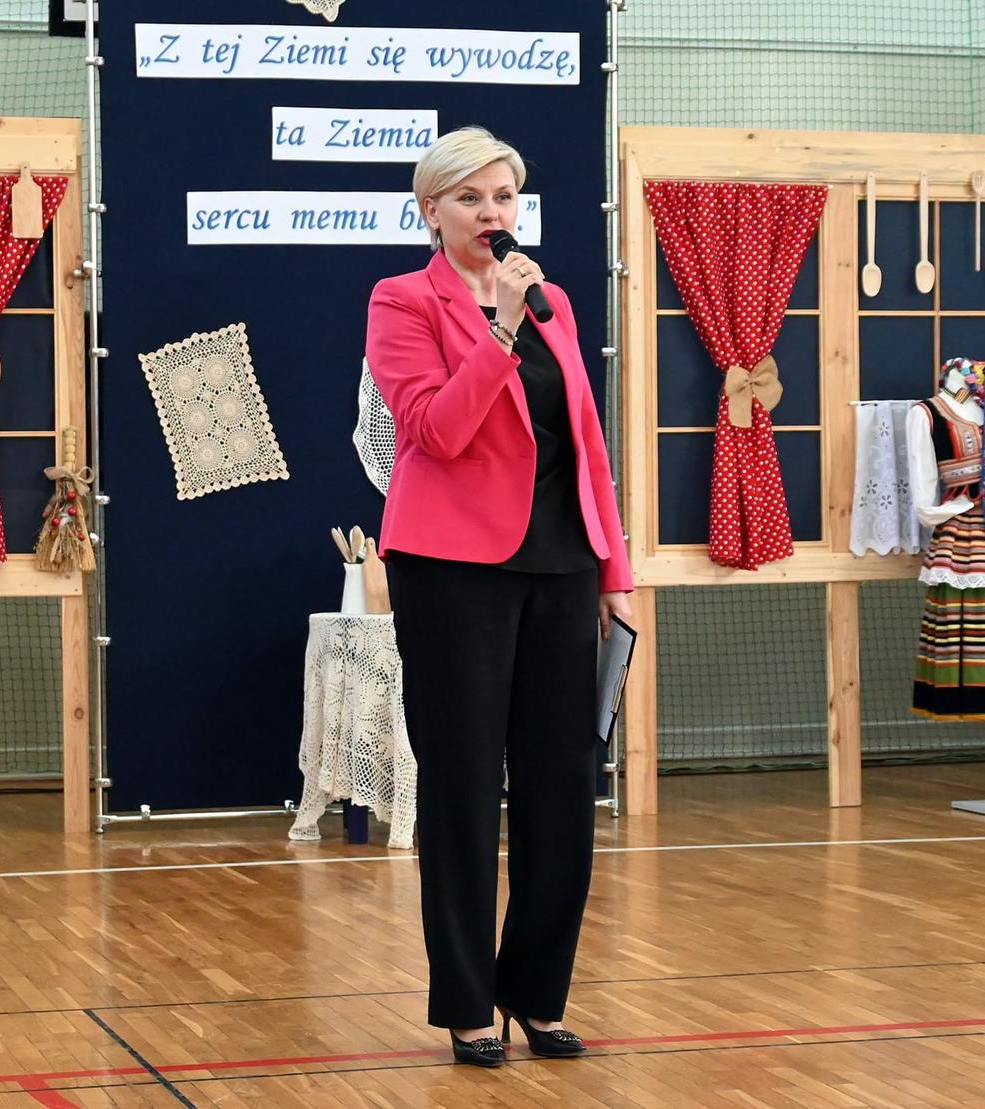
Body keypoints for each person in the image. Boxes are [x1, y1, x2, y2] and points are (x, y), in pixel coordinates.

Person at [364, 126, 634, 1067]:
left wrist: (614, 574)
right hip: (452, 572)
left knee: (563, 790)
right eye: (471, 198)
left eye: (504, 197)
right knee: (465, 787)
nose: (492, 214)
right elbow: (436, 430)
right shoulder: (403, 300)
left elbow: (587, 443)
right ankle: (469, 1003)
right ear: (431, 211)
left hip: (562, 564)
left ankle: (538, 992)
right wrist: (501, 330)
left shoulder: (555, 302)